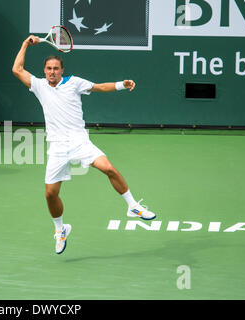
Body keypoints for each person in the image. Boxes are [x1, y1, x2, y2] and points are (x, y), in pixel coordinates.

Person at [12, 36, 156, 254]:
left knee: (108, 168)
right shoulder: (39, 86)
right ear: (44, 70)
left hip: (79, 141)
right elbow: (17, 69)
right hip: (57, 147)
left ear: (62, 70)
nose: (52, 72)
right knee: (50, 194)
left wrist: (121, 85)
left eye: (56, 68)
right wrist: (25, 45)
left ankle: (133, 206)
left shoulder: (74, 83)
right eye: (49, 68)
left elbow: (100, 87)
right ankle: (60, 229)